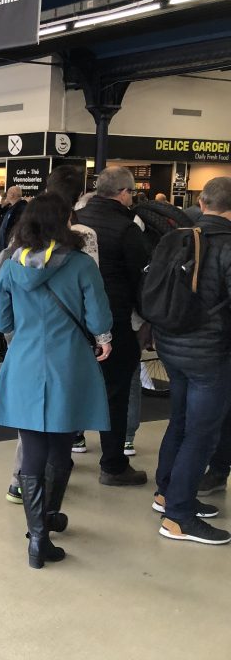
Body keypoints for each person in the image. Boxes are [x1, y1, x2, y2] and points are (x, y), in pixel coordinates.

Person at [0, 193, 113, 568]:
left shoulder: (10, 265)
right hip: (68, 363)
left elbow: (2, 321)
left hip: (25, 362)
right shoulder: (81, 264)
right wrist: (104, 339)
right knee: (61, 446)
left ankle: (38, 537)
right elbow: (98, 318)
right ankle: (46, 520)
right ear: (65, 222)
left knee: (32, 449)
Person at [152, 177, 231, 544]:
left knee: (180, 421)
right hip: (210, 353)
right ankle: (179, 516)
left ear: (202, 202)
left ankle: (167, 493)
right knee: (202, 433)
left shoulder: (180, 237)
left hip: (171, 344)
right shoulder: (227, 245)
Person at [75, 166, 151, 486]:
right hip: (114, 318)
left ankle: (65, 450)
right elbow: (141, 279)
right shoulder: (127, 228)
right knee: (116, 393)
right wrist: (146, 320)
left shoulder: (75, 220)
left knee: (73, 386)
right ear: (123, 193)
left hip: (74, 319)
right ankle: (114, 464)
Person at [0, 186, 27, 253]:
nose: (6, 195)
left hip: (12, 249)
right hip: (8, 247)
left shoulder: (20, 209)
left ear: (12, 195)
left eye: (7, 193)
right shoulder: (12, 208)